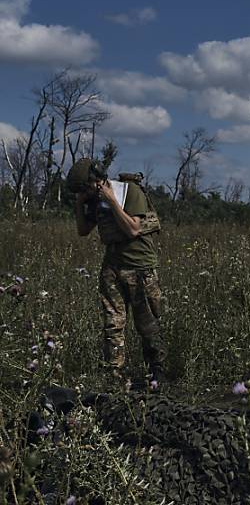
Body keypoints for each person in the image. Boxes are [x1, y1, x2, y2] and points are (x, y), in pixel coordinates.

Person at [68, 158, 166, 386]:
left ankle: (156, 374)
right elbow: (83, 230)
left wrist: (112, 201)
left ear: (97, 180)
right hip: (112, 267)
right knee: (113, 324)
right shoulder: (93, 201)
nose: (86, 193)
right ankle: (114, 376)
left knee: (148, 324)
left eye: (86, 188)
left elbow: (133, 229)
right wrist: (79, 205)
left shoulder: (128, 191)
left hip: (139, 267)